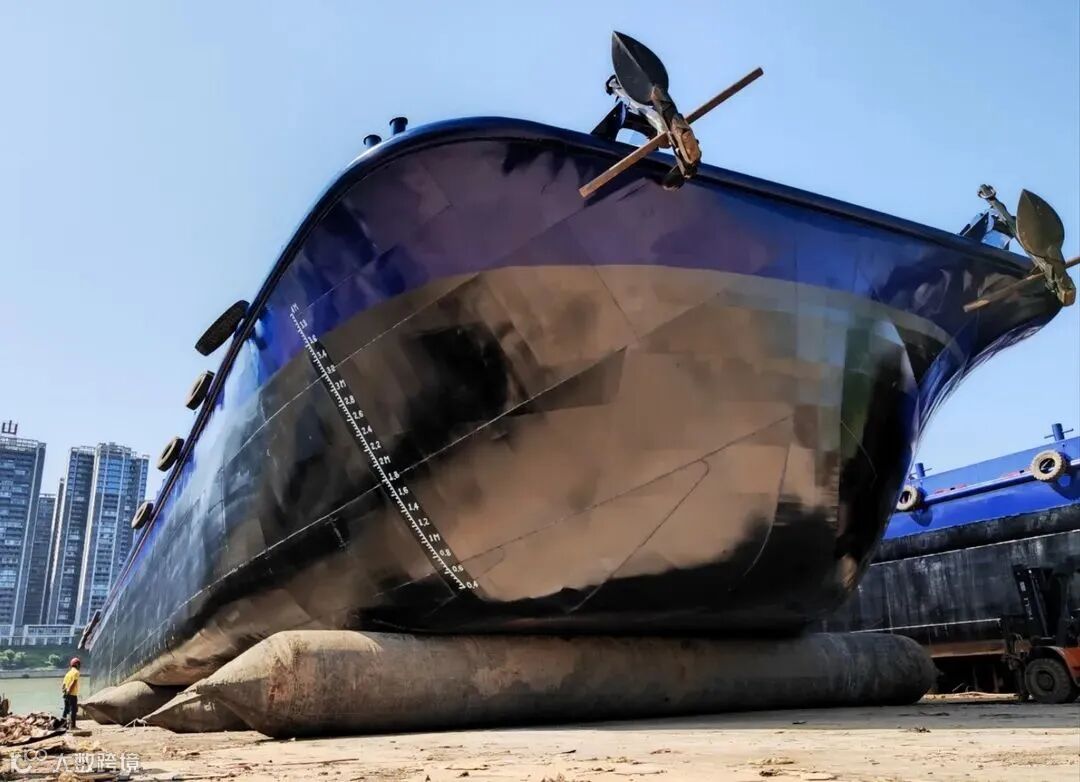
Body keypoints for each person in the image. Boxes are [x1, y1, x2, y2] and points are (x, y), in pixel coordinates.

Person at [61, 657, 80, 729]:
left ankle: (63, 725)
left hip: (66, 693)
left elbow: (63, 685)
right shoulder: (76, 672)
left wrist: (65, 692)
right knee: (73, 710)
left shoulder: (68, 673)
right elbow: (74, 682)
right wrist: (69, 691)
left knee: (66, 709)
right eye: (79, 665)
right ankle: (73, 726)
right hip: (72, 694)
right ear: (77, 665)